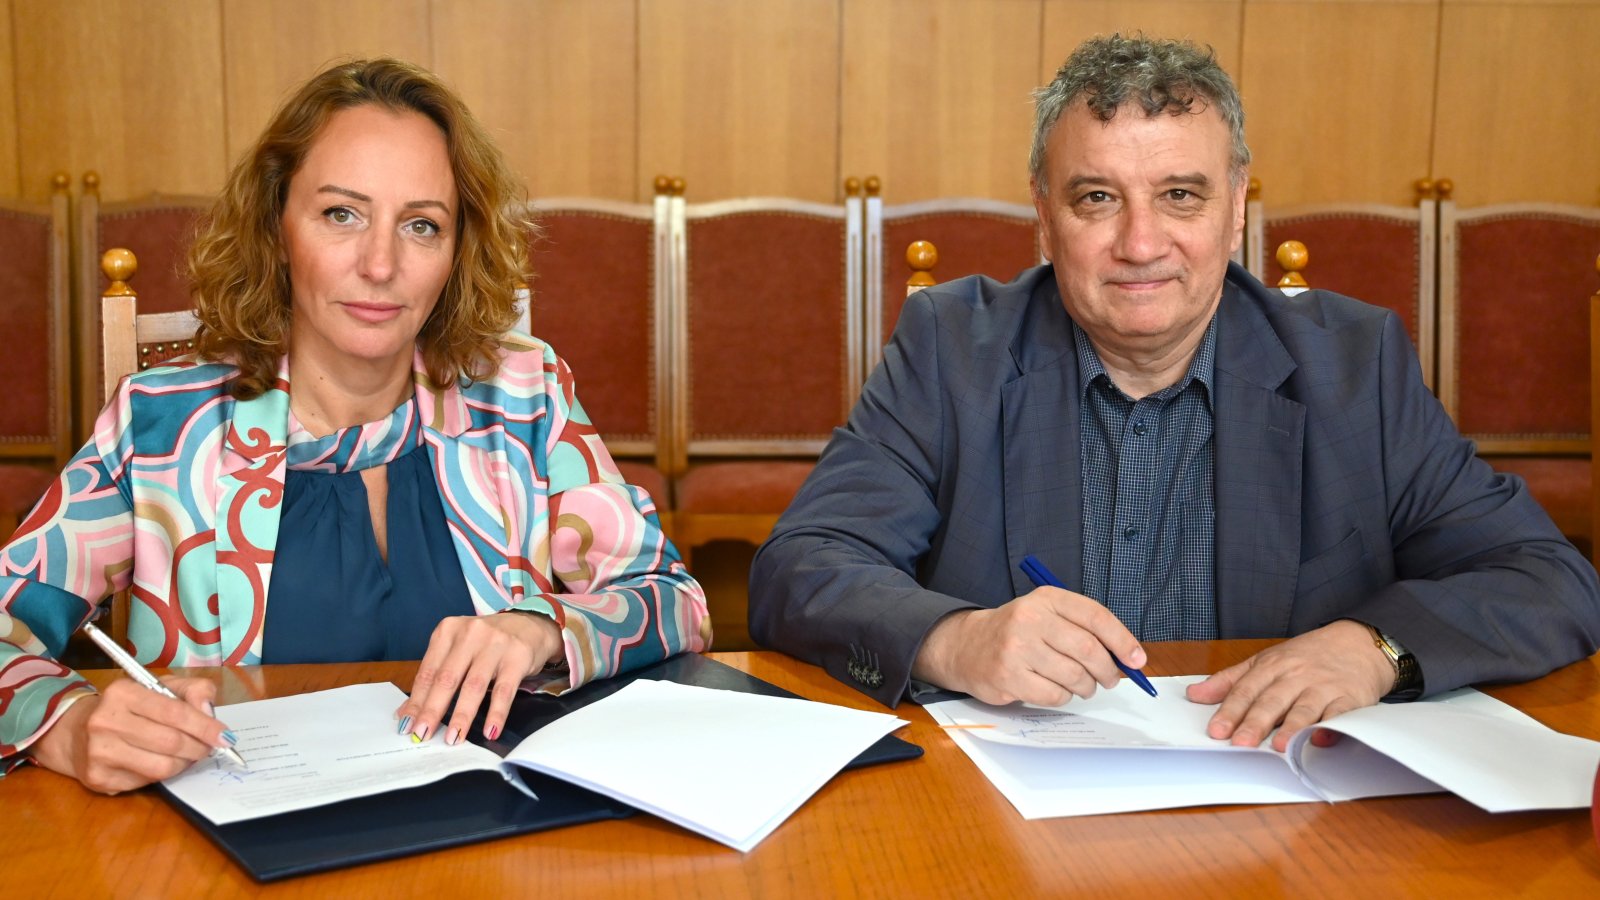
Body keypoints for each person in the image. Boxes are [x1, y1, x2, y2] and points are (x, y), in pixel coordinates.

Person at [749, 34, 1599, 751]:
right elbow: (800, 568)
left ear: (1237, 208)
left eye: (1180, 195)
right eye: (1097, 198)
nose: (1141, 242)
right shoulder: (951, 349)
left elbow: (1547, 578)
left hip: (1278, 810)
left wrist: (1375, 648)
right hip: (1011, 817)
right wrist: (953, 638)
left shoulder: (1352, 365)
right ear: (1044, 216)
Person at [0, 58, 710, 793]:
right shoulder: (161, 423)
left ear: (456, 251)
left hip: (492, 831)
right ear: (276, 226)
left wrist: (541, 629)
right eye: (342, 214)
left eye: (422, 225)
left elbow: (673, 599)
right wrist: (69, 727)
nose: (380, 264)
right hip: (238, 835)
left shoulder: (523, 395)